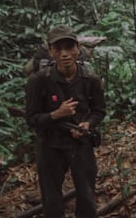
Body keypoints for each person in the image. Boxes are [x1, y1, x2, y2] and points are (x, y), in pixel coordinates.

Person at [25, 25, 106, 218]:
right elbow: (31, 118)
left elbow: (99, 111)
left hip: (80, 144)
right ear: (51, 51)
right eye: (58, 49)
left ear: (78, 48)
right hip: (50, 145)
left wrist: (87, 125)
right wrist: (56, 114)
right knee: (51, 200)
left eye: (69, 47)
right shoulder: (39, 81)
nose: (65, 54)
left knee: (86, 197)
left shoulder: (91, 80)